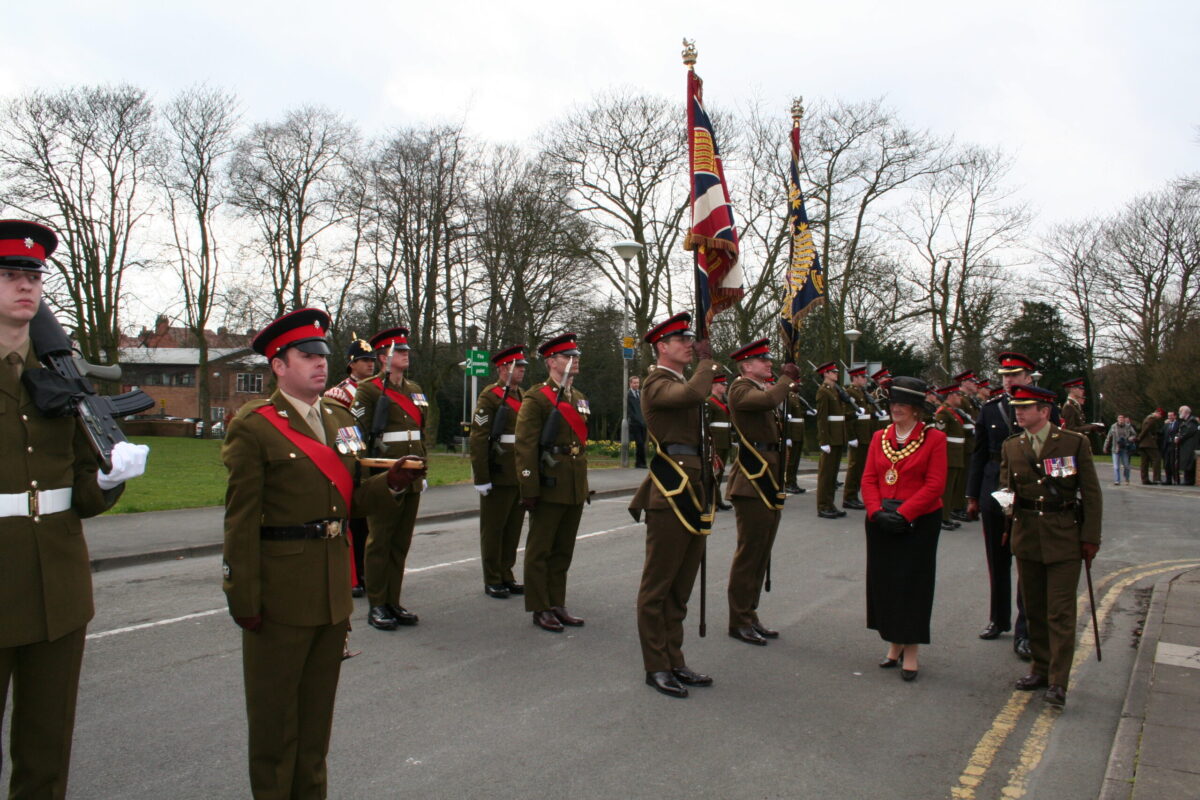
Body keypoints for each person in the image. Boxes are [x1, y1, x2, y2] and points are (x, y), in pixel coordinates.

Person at [221, 308, 425, 798]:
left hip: (331, 592)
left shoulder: (337, 419)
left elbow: (352, 498)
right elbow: (240, 522)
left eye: (322, 355)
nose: (318, 364)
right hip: (281, 592)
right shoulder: (255, 426)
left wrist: (391, 484)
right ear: (278, 364)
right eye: (306, 355)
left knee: (315, 727)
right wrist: (243, 598)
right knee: (276, 726)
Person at [0, 220, 149, 799]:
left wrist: (111, 478)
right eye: (10, 274)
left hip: (57, 588)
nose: (25, 286)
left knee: (46, 751)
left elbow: (82, 496)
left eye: (33, 275)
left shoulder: (63, 376)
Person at [629, 312, 718, 698]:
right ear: (661, 347)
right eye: (681, 339)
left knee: (681, 586)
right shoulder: (656, 382)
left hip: (695, 488)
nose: (688, 343)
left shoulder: (682, 380)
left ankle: (675, 659)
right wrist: (706, 362)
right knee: (658, 587)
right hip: (670, 493)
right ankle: (656, 666)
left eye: (690, 338)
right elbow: (694, 395)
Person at [1002, 383, 1102, 707]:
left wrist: (1090, 538)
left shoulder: (1073, 443)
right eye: (1016, 408)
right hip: (1027, 536)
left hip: (1063, 537)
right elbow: (1007, 489)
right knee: (1034, 609)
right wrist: (1006, 521)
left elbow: (1091, 493)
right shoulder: (1013, 445)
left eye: (1025, 408)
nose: (1018, 412)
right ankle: (1040, 669)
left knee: (1060, 611)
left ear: (1044, 411)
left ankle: (1058, 681)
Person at [967, 352, 1060, 661]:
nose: (1008, 381)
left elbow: (1057, 454)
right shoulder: (990, 409)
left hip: (1029, 493)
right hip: (995, 489)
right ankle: (998, 618)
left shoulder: (1047, 409)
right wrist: (972, 496)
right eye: (1005, 376)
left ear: (1029, 376)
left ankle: (1025, 630)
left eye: (1015, 375)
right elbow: (979, 454)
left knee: (1027, 564)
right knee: (997, 558)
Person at [862, 376, 947, 682]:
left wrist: (906, 513)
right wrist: (875, 511)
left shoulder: (934, 439)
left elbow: (935, 484)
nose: (896, 409)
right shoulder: (879, 437)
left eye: (903, 405)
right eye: (894, 403)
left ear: (916, 409)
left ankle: (911, 650)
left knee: (912, 586)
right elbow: (869, 477)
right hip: (882, 520)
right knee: (885, 584)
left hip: (919, 522)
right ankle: (893, 643)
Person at [353, 327, 428, 631]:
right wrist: (369, 480)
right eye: (400, 351)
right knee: (380, 542)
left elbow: (424, 434)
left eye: (407, 351)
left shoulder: (416, 390)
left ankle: (393, 601)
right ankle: (377, 604)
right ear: (384, 357)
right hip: (385, 478)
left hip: (411, 476)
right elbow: (360, 436)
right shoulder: (369, 390)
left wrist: (424, 469)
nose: (406, 355)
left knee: (400, 543)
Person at [725, 339, 799, 646]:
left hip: (768, 476)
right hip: (752, 480)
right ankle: (738, 619)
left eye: (769, 360)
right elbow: (768, 402)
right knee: (750, 553)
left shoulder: (760, 388)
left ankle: (750, 614)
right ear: (746, 366)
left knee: (761, 553)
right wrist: (785, 378)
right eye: (762, 361)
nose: (769, 364)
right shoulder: (741, 389)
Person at [516, 333, 591, 633]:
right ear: (551, 362)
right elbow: (524, 447)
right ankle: (539, 606)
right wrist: (529, 488)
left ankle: (557, 603)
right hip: (548, 483)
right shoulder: (536, 397)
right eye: (566, 356)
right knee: (540, 549)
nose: (574, 361)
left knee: (563, 549)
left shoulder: (579, 397)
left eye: (576, 356)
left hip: (572, 483)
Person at [469, 345, 528, 599]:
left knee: (513, 528)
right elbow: (479, 438)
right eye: (518, 366)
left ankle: (507, 572)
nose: (523, 371)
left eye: (524, 367)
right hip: (499, 471)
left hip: (518, 472)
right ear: (504, 368)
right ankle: (492, 577)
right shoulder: (490, 397)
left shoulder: (523, 396)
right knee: (494, 529)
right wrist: (481, 477)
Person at [324, 334, 377, 598]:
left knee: (371, 524)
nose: (370, 365)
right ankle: (354, 575)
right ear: (351, 364)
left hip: (375, 460)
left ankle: (370, 572)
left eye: (372, 360)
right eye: (365, 360)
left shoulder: (380, 389)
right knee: (354, 523)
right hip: (351, 459)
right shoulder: (340, 393)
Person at [815, 361, 850, 519]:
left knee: (833, 474)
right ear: (826, 374)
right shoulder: (823, 391)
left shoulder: (835, 391)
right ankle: (823, 506)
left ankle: (830, 504)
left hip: (837, 437)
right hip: (830, 438)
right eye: (833, 372)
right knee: (826, 475)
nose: (836, 374)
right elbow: (822, 418)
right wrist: (824, 441)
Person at [932, 384, 968, 531]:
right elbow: (940, 437)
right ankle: (942, 518)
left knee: (952, 487)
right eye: (957, 395)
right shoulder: (943, 413)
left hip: (956, 454)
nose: (960, 397)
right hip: (949, 455)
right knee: (946, 489)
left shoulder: (952, 412)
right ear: (950, 396)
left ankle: (947, 515)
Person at [841, 365, 873, 510]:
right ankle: (849, 497)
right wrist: (851, 437)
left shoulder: (862, 392)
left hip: (866, 435)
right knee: (854, 467)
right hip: (858, 436)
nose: (865, 379)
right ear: (855, 378)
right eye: (862, 377)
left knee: (861, 467)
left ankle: (854, 495)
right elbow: (847, 417)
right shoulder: (850, 393)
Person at [707, 374, 734, 511]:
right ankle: (711, 500)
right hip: (716, 442)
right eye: (722, 384)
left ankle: (717, 500)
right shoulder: (709, 402)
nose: (725, 386)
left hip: (725, 441)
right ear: (714, 386)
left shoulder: (724, 402)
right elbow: (706, 425)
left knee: (720, 472)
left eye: (725, 384)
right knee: (714, 472)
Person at [783, 387, 810, 495]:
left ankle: (793, 482)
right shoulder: (789, 397)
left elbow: (798, 413)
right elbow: (788, 418)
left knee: (796, 460)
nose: (799, 384)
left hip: (799, 433)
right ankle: (789, 483)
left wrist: (807, 412)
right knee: (792, 461)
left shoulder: (796, 397)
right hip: (793, 434)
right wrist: (788, 436)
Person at [1102, 414, 1137, 485]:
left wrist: (1130, 438)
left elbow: (1134, 434)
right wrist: (1105, 447)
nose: (1121, 420)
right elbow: (1108, 437)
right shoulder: (1113, 427)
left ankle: (1127, 479)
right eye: (1119, 418)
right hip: (1115, 448)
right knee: (1116, 466)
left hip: (1125, 448)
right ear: (1117, 419)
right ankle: (1117, 480)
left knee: (1126, 465)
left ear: (1124, 419)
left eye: (1122, 418)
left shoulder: (1128, 427)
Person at [1137, 408, 1165, 485]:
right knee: (1157, 459)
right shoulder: (1151, 419)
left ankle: (1145, 479)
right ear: (1158, 413)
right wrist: (1139, 438)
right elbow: (1145, 430)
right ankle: (1156, 478)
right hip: (1149, 443)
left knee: (1144, 462)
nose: (1160, 417)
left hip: (1143, 444)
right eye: (1160, 415)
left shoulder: (1147, 418)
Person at [627, 375, 648, 468]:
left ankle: (639, 462)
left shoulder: (641, 393)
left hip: (643, 423)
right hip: (635, 423)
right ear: (630, 383)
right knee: (639, 442)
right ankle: (641, 463)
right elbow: (630, 411)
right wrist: (638, 420)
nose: (636, 384)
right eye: (634, 383)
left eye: (638, 383)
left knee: (642, 443)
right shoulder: (628, 395)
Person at [1176, 406, 1198, 486]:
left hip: (1190, 446)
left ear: (1185, 412)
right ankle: (1187, 480)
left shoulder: (1192, 421)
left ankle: (1189, 481)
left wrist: (1180, 438)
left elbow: (1189, 431)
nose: (1179, 413)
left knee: (1189, 463)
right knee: (1186, 463)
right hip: (1187, 446)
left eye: (1180, 411)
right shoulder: (1186, 422)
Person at [1162, 410, 1180, 484]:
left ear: (1175, 416)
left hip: (1174, 446)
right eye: (1168, 416)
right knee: (1166, 464)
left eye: (1171, 415)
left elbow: (1180, 432)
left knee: (1173, 463)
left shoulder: (1178, 424)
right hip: (1167, 446)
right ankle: (1168, 480)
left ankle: (1176, 479)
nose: (1169, 417)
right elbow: (1162, 433)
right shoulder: (1166, 425)